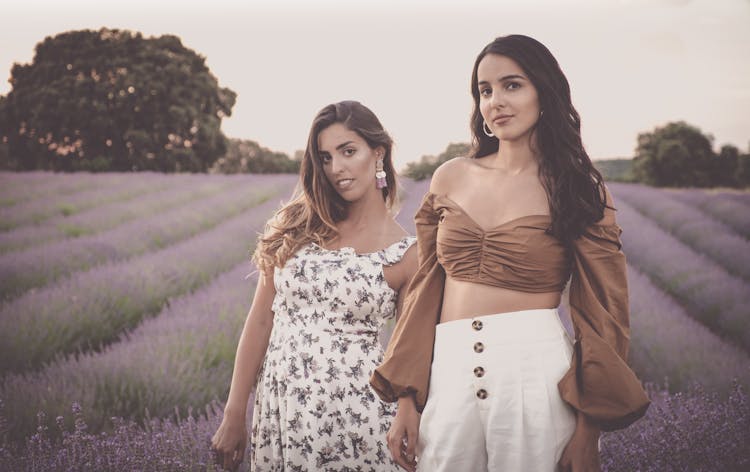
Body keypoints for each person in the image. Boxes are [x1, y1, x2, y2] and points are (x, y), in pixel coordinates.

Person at [370, 35, 650, 472]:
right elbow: (425, 291)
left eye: (512, 85)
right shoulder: (450, 177)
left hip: (535, 377)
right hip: (449, 373)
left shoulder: (577, 189)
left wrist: (588, 430)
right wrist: (408, 398)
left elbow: (604, 312)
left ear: (545, 91)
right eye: (485, 91)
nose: (495, 101)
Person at [211, 100, 418, 471]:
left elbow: (410, 350)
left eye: (348, 151)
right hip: (281, 411)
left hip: (358, 416)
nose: (336, 168)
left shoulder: (406, 253)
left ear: (378, 152)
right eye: (324, 157)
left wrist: (407, 412)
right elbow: (260, 321)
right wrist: (234, 410)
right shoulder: (295, 226)